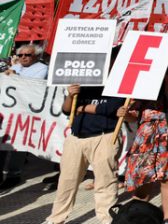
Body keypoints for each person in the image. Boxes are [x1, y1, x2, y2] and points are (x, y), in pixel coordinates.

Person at [45, 84, 124, 224]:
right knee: (66, 182)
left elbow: (110, 109)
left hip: (105, 136)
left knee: (105, 182)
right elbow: (67, 110)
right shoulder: (82, 84)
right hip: (76, 138)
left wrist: (82, 108)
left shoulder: (116, 85)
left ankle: (107, 219)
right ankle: (56, 219)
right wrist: (70, 96)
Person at [119, 69, 168, 224]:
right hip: (146, 138)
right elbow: (133, 116)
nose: (167, 75)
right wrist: (124, 114)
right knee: (143, 179)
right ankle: (135, 217)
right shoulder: (144, 87)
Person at [0, 43, 49, 189]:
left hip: (25, 112)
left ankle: (14, 174)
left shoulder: (42, 68)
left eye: (27, 55)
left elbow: (32, 85)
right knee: (3, 141)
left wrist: (15, 77)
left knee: (18, 144)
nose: (23, 58)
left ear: (37, 56)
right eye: (20, 55)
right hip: (9, 110)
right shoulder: (15, 67)